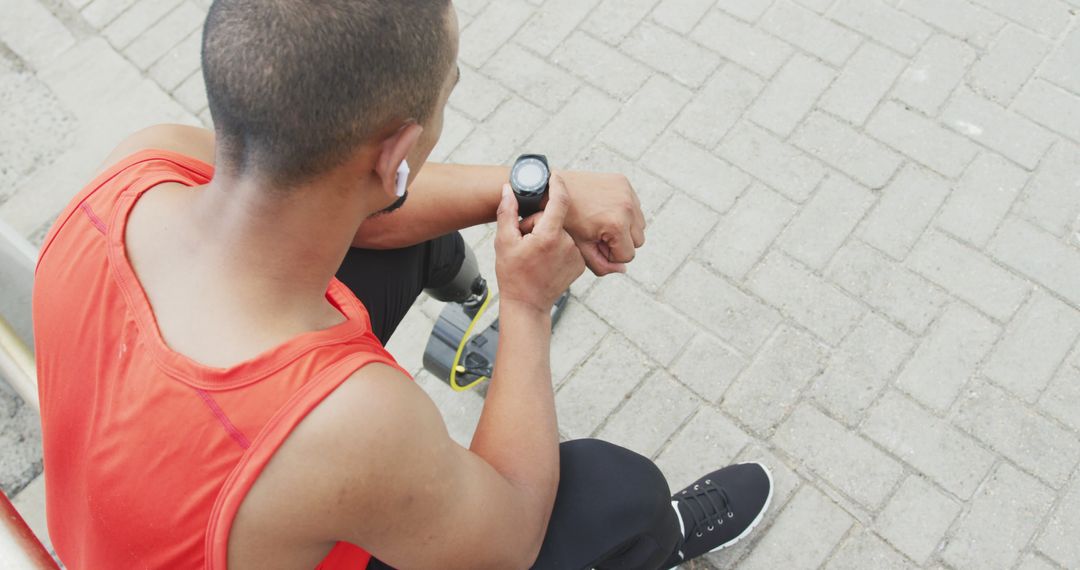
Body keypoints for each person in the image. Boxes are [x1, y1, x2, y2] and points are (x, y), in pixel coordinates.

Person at [32, 1, 773, 568]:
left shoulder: (136, 168)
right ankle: (657, 538)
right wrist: (526, 302)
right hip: (295, 469)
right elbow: (508, 536)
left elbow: (372, 207)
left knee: (402, 235)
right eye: (450, 89)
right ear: (400, 151)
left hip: (125, 520)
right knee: (609, 491)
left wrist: (553, 190)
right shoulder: (349, 423)